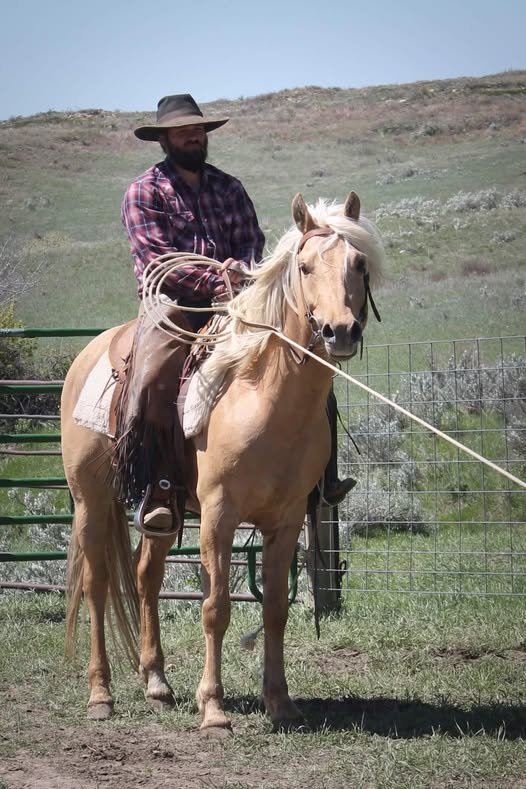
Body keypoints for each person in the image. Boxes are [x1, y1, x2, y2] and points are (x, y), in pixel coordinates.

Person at [119, 93, 355, 536]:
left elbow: (250, 240)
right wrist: (217, 279)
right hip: (174, 305)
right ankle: (161, 486)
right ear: (164, 139)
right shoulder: (144, 192)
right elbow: (156, 260)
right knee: (155, 376)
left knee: (306, 365)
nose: (193, 135)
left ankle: (320, 477)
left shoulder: (229, 187)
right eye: (182, 130)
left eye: (197, 129)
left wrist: (244, 271)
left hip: (238, 299)